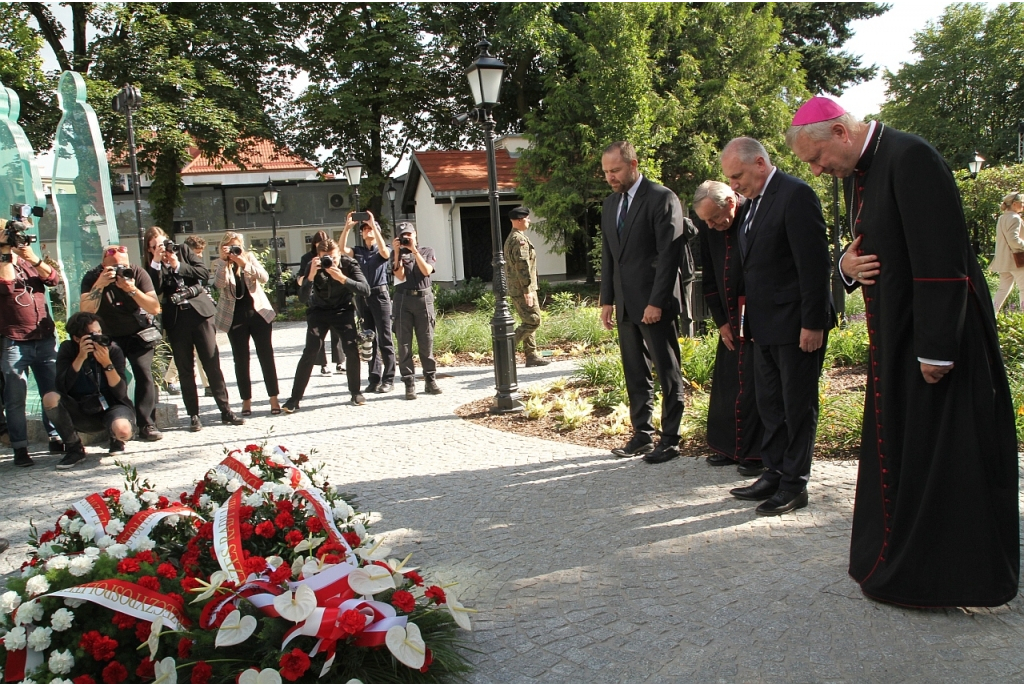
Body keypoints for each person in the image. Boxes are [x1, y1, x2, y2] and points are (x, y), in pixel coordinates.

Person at [787, 96, 1019, 607]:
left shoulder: (911, 156)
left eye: (816, 157)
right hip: (896, 336)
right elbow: (864, 247)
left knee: (940, 458)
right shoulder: (857, 170)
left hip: (935, 342)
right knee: (904, 452)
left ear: (842, 132)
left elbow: (942, 259)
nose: (817, 169)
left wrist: (937, 350)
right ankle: (897, 558)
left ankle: (944, 576)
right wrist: (845, 269)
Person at [719, 137, 834, 516]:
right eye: (730, 178)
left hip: (798, 325)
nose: (733, 185)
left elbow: (814, 265)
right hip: (764, 324)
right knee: (770, 404)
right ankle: (774, 471)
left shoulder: (795, 195)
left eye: (737, 176)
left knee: (796, 406)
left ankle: (794, 484)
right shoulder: (753, 203)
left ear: (760, 163)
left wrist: (813, 323)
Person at [599, 141, 687, 464]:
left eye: (616, 170)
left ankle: (671, 438)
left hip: (654, 305)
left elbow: (669, 256)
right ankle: (642, 435)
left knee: (667, 371)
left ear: (634, 164)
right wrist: (607, 300)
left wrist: (657, 301)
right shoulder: (610, 205)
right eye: (606, 171)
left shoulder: (662, 198)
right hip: (624, 305)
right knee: (635, 371)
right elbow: (610, 256)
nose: (610, 177)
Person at [692, 180, 765, 476]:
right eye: (706, 220)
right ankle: (728, 447)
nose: (711, 225)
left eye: (714, 218)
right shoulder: (710, 228)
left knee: (754, 384)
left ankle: (755, 453)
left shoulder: (754, 215)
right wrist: (721, 321)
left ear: (731, 204)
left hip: (757, 314)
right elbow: (709, 278)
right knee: (728, 383)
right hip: (729, 317)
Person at [144, 227, 244, 431]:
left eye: (162, 244)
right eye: (155, 247)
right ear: (149, 248)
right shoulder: (152, 265)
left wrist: (177, 264)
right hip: (177, 320)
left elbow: (203, 273)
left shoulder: (182, 251)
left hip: (200, 315)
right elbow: (155, 289)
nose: (161, 249)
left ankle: (225, 410)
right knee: (185, 368)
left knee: (211, 363)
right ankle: (193, 415)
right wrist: (156, 261)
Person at [80, 244, 164, 444]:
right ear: (103, 264)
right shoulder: (93, 277)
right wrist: (100, 285)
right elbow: (85, 310)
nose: (120, 270)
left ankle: (146, 423)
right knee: (113, 377)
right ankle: (118, 423)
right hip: (109, 335)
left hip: (137, 333)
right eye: (114, 267)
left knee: (143, 372)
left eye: (123, 266)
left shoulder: (136, 273)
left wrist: (131, 289)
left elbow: (154, 308)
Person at [0, 218, 63, 466]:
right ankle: (20, 449)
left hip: (44, 338)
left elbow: (53, 279)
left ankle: (57, 436)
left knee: (53, 391)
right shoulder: (3, 263)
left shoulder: (27, 262)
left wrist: (33, 257)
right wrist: (5, 252)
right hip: (14, 341)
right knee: (15, 397)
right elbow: (5, 285)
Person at [42, 312, 136, 469]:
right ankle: (74, 448)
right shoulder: (68, 349)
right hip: (80, 409)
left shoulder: (112, 350)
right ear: (77, 339)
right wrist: (80, 357)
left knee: (123, 430)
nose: (98, 337)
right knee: (50, 398)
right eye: (92, 335)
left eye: (99, 332)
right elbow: (61, 387)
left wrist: (107, 363)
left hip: (110, 408)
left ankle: (115, 439)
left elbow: (120, 392)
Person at [283, 239, 369, 411]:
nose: (330, 262)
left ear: (339, 255)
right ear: (319, 257)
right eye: (326, 258)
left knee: (351, 348)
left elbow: (366, 289)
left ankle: (355, 392)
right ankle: (294, 399)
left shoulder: (349, 264)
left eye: (334, 258)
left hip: (343, 310)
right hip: (319, 311)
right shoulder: (313, 265)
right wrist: (310, 276)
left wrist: (343, 278)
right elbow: (302, 298)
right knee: (311, 350)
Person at [213, 232, 281, 416]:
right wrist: (223, 260)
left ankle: (274, 398)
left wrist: (244, 264)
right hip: (234, 317)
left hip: (258, 313)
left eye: (237, 247)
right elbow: (219, 284)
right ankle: (246, 401)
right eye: (230, 247)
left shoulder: (248, 258)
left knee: (266, 356)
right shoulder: (220, 263)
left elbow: (264, 277)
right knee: (241, 360)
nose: (234, 251)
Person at [341, 212, 396, 393]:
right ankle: (374, 379)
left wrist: (373, 223)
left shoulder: (382, 249)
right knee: (368, 338)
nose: (367, 231)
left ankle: (388, 379)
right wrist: (347, 228)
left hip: (380, 296)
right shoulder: (358, 251)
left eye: (369, 229)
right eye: (364, 229)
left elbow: (385, 253)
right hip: (363, 297)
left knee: (385, 338)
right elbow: (342, 250)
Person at [392, 223, 442, 400]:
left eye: (409, 235)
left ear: (415, 234)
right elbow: (399, 275)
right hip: (403, 299)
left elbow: (427, 271)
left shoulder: (427, 250)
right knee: (404, 344)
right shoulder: (397, 253)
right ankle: (409, 382)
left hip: (423, 299)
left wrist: (414, 250)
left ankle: (430, 379)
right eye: (403, 236)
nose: (407, 238)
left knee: (426, 341)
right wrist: (398, 252)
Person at [503, 206, 550, 367]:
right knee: (533, 320)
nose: (529, 221)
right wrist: (527, 290)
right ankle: (505, 348)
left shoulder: (514, 237)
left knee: (528, 319)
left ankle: (531, 355)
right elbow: (522, 266)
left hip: (519, 288)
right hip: (523, 288)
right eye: (527, 218)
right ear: (519, 220)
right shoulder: (519, 240)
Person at [297, 230, 343, 377]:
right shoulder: (308, 259)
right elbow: (300, 278)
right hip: (316, 297)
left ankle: (340, 361)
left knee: (337, 332)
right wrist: (310, 274)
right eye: (318, 244)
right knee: (318, 335)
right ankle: (323, 364)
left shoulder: (333, 258)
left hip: (334, 297)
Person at [990, 192, 1024, 311]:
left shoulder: (1002, 218)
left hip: (1003, 261)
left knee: (1003, 290)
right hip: (1016, 261)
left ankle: (992, 315)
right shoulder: (1015, 218)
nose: (1023, 206)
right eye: (1021, 203)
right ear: (1014, 204)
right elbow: (1013, 240)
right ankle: (1022, 319)